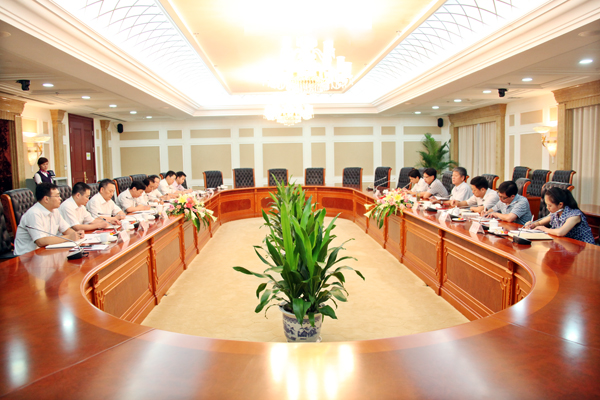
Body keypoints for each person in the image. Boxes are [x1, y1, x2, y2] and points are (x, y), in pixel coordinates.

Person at [14, 183, 83, 255]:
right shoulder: (34, 213)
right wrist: (69, 237)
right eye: (57, 196)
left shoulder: (55, 211)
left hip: (45, 252)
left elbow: (66, 230)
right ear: (46, 199)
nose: (60, 198)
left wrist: (77, 234)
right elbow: (40, 241)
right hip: (27, 256)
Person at [524, 187, 595, 244]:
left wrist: (544, 229)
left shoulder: (574, 215)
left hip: (583, 247)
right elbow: (540, 223)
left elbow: (560, 232)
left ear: (560, 204)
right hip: (567, 245)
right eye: (546, 204)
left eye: (550, 205)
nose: (547, 208)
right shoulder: (555, 212)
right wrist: (532, 224)